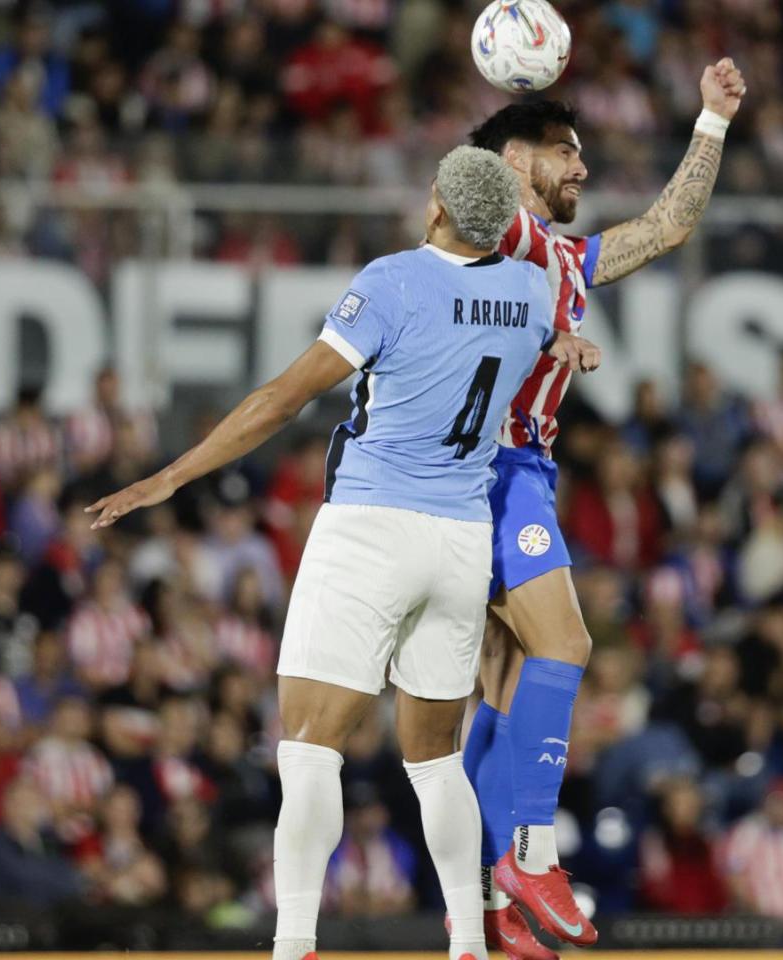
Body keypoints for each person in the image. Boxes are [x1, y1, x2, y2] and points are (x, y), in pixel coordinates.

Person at [85, 146, 599, 960]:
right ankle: (470, 942)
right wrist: (565, 340)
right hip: (462, 539)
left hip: (372, 524)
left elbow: (281, 400)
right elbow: (538, 338)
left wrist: (170, 477)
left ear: (436, 205)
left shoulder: (392, 280)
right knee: (436, 762)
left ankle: (295, 945)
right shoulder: (530, 292)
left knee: (308, 747)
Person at [465, 57, 747, 955]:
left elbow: (668, 224)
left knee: (501, 687)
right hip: (490, 469)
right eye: (565, 150)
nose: (583, 166)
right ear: (516, 161)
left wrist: (711, 121)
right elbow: (466, 276)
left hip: (522, 471)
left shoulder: (568, 256)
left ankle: (487, 898)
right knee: (568, 644)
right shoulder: (486, 226)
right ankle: (532, 852)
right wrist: (549, 333)